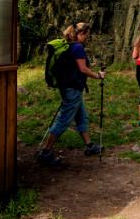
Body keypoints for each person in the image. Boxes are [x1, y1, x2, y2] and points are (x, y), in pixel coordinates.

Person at [38, 22, 105, 165]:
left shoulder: (68, 46)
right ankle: (46, 151)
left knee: (82, 116)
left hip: (69, 87)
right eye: (87, 35)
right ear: (81, 34)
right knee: (63, 120)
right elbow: (83, 69)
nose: (87, 38)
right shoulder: (78, 47)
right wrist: (98, 75)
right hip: (72, 89)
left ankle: (89, 146)